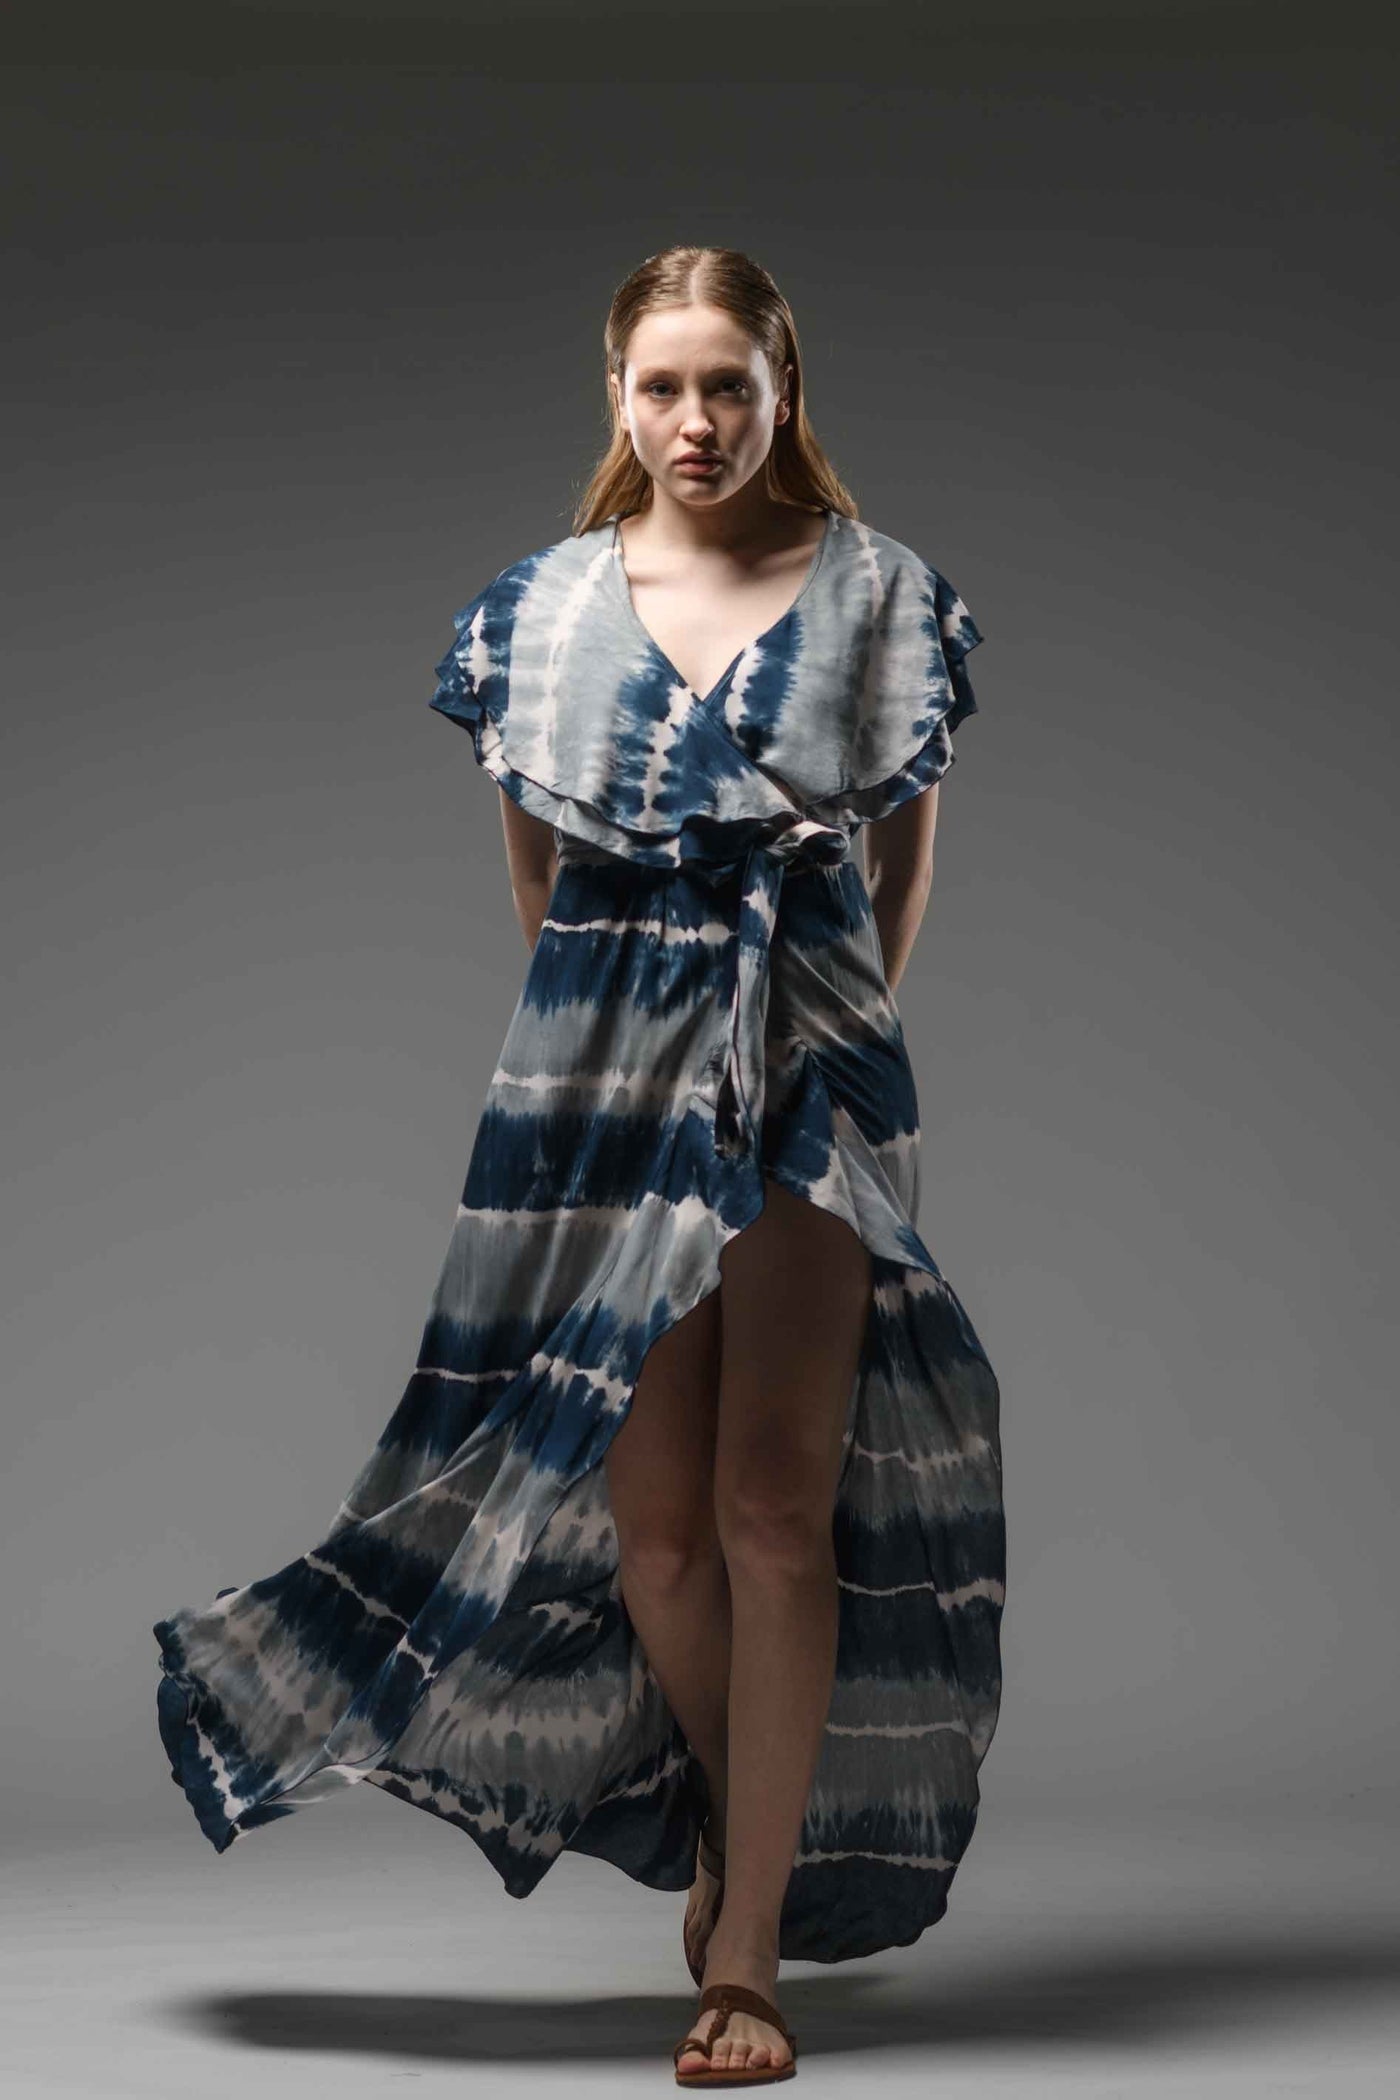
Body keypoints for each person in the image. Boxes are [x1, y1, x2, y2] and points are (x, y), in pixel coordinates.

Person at [154, 245, 1005, 2090]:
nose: (697, 422)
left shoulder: (882, 597)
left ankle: (748, 1952)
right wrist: (629, 1046)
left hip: (811, 1075)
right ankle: (736, 1823)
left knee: (775, 1510)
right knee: (659, 1537)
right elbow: (540, 880)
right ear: (615, 398)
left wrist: (823, 1038)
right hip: (597, 1076)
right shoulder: (535, 618)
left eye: (730, 386)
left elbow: (905, 860)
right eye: (663, 388)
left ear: (785, 393)